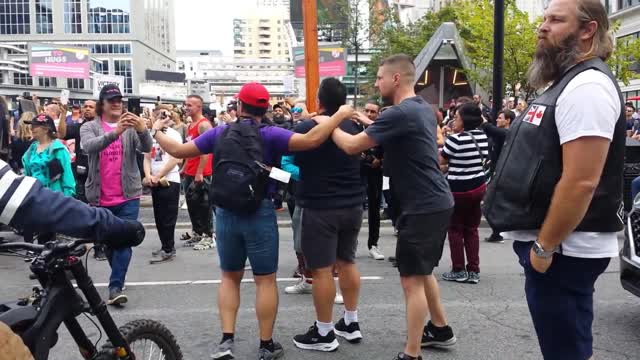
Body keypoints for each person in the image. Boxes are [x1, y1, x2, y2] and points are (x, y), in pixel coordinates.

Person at [151, 81, 354, 360]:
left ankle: (226, 341)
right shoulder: (272, 134)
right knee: (265, 281)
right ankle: (266, 344)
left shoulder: (220, 132)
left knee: (229, 278)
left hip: (225, 214)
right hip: (259, 211)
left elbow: (178, 151)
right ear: (265, 107)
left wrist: (155, 129)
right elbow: (312, 140)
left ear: (240, 105)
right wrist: (341, 115)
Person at [483, 0, 624, 358]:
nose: (542, 27)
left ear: (588, 29)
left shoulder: (587, 87)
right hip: (559, 246)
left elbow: (581, 182)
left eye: (556, 20)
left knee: (565, 351)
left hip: (565, 249)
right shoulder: (569, 83)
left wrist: (544, 248)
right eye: (544, 18)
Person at [330, 55, 456, 360]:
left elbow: (350, 146)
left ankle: (412, 353)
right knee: (423, 272)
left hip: (422, 205)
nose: (376, 83)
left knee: (411, 279)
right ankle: (440, 329)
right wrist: (367, 121)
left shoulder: (398, 113)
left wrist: (329, 122)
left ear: (396, 79)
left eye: (379, 77)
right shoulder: (420, 108)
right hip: (435, 201)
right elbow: (395, 132)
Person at [291, 78, 365, 352]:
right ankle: (351, 322)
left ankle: (324, 332)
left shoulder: (307, 127)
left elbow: (296, 156)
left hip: (319, 206)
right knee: (347, 262)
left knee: (321, 271)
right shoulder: (354, 125)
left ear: (319, 101)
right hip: (353, 204)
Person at [80, 84, 152, 306]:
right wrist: (115, 132)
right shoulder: (90, 126)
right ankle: (118, 277)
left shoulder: (131, 127)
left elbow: (147, 147)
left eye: (119, 100)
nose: (117, 103)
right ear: (102, 103)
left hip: (128, 194)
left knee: (124, 241)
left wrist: (142, 129)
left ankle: (115, 286)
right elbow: (89, 147)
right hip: (100, 196)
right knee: (109, 243)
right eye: (111, 100)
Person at [440, 104, 488, 284]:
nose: (454, 121)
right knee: (472, 229)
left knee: (455, 229)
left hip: (458, 190)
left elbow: (441, 161)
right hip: (478, 188)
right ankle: (474, 270)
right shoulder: (482, 136)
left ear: (465, 120)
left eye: (457, 117)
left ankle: (458, 269)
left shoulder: (455, 140)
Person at [21, 114, 76, 244]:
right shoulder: (32, 149)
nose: (31, 128)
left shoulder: (59, 149)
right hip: (34, 197)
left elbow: (68, 178)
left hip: (52, 199)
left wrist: (66, 201)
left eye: (35, 126)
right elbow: (27, 173)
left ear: (45, 129)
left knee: (47, 238)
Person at [143, 109, 183, 263]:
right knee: (158, 216)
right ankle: (164, 245)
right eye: (159, 115)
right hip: (154, 179)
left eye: (165, 115)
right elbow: (146, 158)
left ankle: (169, 248)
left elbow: (175, 158)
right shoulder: (149, 134)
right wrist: (148, 176)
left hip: (169, 178)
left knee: (168, 216)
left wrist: (159, 175)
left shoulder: (173, 134)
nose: (162, 118)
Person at [180, 95, 215, 250]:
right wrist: (184, 167)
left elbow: (207, 151)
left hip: (202, 173)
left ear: (199, 107)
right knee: (192, 204)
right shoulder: (190, 125)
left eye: (189, 105)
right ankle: (198, 233)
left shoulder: (204, 125)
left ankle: (209, 236)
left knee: (204, 205)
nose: (186, 107)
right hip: (190, 171)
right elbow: (190, 149)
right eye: (185, 104)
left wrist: (200, 172)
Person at [353, 100, 386, 260]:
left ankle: (373, 244)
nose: (369, 114)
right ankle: (351, 245)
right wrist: (367, 158)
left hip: (375, 174)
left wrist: (379, 160)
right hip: (357, 174)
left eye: (373, 112)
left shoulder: (383, 130)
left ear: (378, 114)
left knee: (374, 210)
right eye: (366, 110)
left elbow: (388, 149)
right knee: (354, 209)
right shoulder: (355, 129)